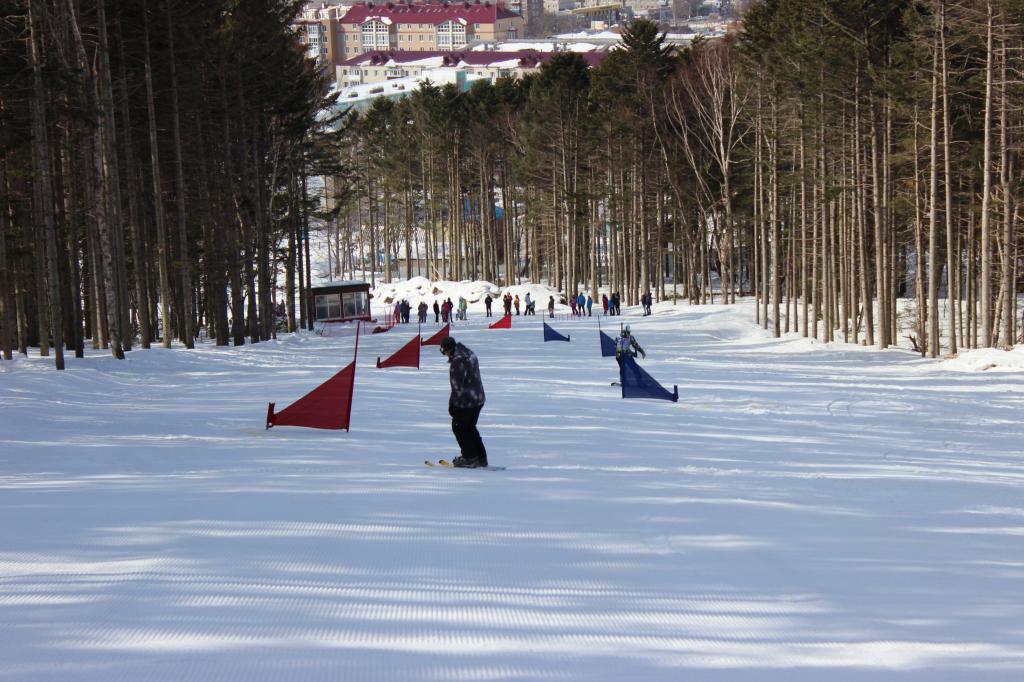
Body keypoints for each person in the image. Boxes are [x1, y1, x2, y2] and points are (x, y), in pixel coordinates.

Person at [439, 336, 488, 468]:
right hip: (478, 397)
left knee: (459, 427)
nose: (445, 355)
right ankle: (480, 457)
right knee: (469, 427)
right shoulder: (468, 353)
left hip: (468, 401)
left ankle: (470, 457)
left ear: (449, 349)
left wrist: (452, 406)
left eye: (444, 352)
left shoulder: (457, 361)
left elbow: (457, 388)